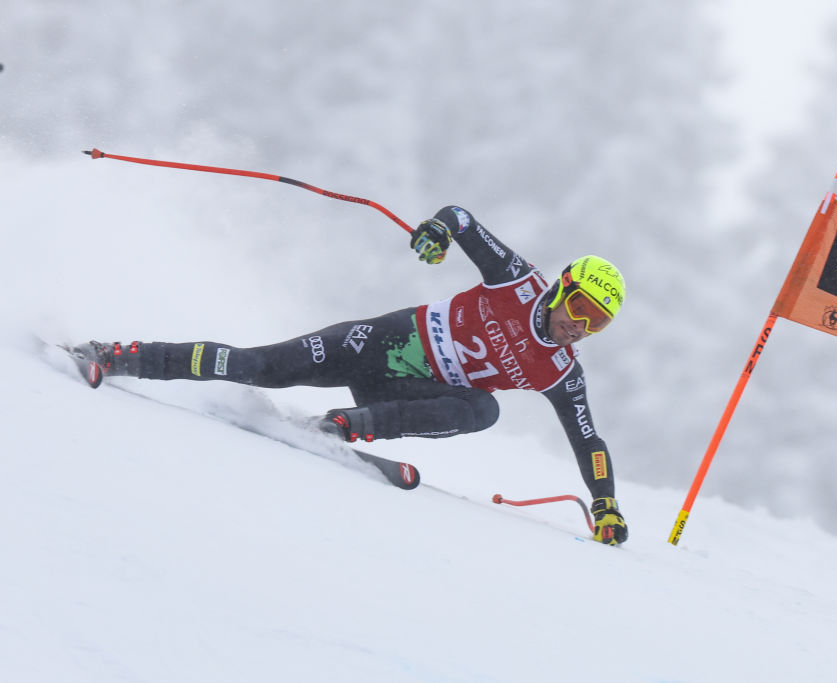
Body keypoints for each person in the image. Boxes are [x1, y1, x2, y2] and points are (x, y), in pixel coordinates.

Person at [76, 206, 629, 544]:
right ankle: (119, 355)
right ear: (561, 288)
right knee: (259, 367)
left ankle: (344, 426)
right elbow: (461, 218)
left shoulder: (560, 369)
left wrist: (605, 505)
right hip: (382, 342)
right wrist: (437, 231)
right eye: (580, 308)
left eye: (598, 324)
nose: (580, 327)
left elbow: (588, 439)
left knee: (484, 409)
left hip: (404, 394)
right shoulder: (516, 281)